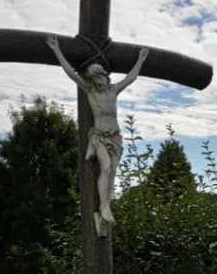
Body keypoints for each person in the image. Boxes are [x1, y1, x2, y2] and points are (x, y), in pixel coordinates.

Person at [46, 35, 149, 234]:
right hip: (99, 137)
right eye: (94, 79)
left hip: (116, 137)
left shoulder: (113, 90)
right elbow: (70, 73)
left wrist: (141, 59)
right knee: (106, 167)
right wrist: (56, 49)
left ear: (105, 76)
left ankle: (106, 205)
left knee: (113, 173)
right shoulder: (90, 91)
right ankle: (103, 206)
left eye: (100, 78)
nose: (98, 82)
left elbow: (130, 78)